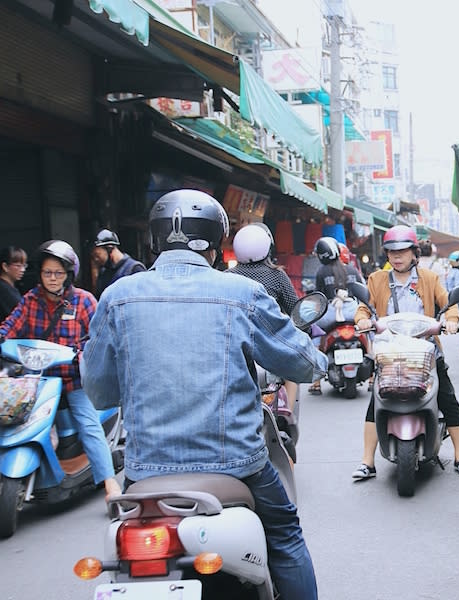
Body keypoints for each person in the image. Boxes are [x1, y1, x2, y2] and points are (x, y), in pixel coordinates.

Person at [81, 189, 326, 600]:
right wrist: (313, 357)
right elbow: (302, 365)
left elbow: (100, 393)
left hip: (147, 472)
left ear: (155, 241)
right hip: (236, 463)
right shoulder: (242, 294)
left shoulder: (116, 297)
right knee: (285, 537)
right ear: (215, 244)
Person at [0, 240, 120, 498]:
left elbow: (100, 336)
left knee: (88, 425)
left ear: (68, 275)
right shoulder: (31, 300)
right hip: (37, 380)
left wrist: (83, 354)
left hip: (73, 380)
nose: (52, 278)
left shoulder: (83, 301)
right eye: (47, 272)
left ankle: (110, 483)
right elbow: (9, 326)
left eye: (58, 273)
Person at [351, 224, 459, 479]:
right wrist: (362, 319)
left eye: (403, 251)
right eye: (392, 252)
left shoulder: (429, 279)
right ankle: (367, 461)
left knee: (448, 398)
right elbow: (364, 308)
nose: (397, 256)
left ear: (414, 253)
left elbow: (447, 303)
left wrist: (451, 320)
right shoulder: (376, 279)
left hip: (425, 353)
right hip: (390, 354)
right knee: (376, 402)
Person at [228, 222, 302, 410]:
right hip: (271, 344)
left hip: (234, 346)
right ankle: (288, 415)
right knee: (291, 373)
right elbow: (295, 310)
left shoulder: (226, 277)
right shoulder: (277, 276)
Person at [309, 236, 364, 394]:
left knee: (314, 334)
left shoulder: (321, 272)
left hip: (331, 315)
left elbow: (319, 297)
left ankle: (316, 381)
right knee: (369, 327)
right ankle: (374, 375)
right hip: (353, 312)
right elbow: (362, 294)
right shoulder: (352, 269)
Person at [91, 229, 146, 297]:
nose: (95, 259)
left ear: (109, 249)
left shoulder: (134, 269)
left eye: (97, 255)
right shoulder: (104, 272)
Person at [0, 245, 27, 321]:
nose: (23, 269)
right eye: (18, 266)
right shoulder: (4, 290)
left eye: (24, 265)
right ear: (5, 266)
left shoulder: (9, 287)